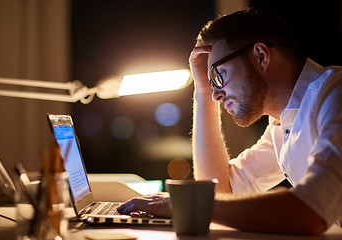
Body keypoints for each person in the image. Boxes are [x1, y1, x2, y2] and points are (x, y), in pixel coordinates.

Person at [117, 8, 342, 235]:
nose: (217, 95)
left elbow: (308, 213)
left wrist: (183, 205)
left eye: (218, 75)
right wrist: (203, 91)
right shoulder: (283, 124)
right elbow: (219, 192)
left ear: (261, 56)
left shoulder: (335, 95)